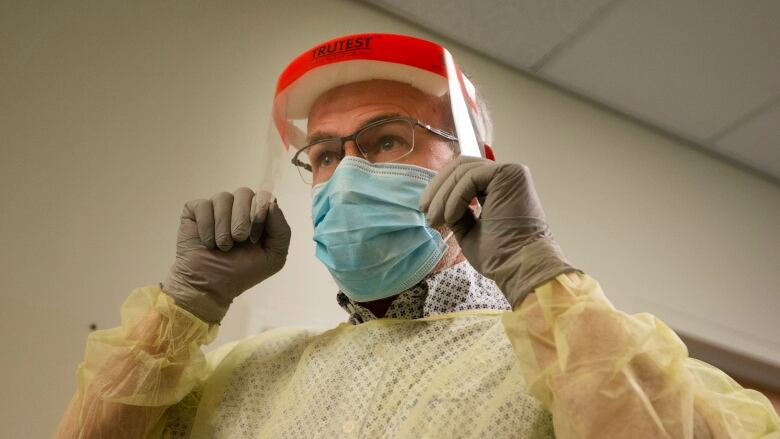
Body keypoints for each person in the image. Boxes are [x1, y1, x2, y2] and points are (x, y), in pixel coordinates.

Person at [57, 33, 779, 438]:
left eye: (386, 140)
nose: (347, 175)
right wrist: (182, 306)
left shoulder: (577, 364)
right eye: (328, 154)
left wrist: (536, 275)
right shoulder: (244, 376)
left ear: (474, 168)